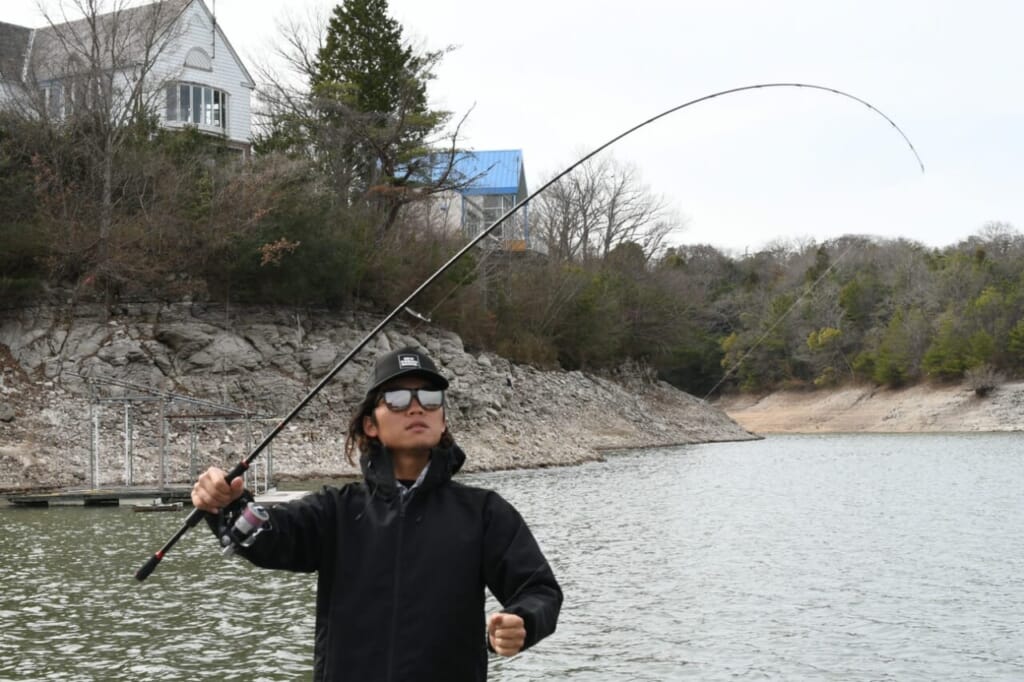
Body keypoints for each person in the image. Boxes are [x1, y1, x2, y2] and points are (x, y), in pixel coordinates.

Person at [192, 345, 562, 682]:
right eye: (398, 398)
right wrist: (223, 502)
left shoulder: (484, 512)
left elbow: (539, 590)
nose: (417, 407)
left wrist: (523, 621)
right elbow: (262, 538)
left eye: (431, 398)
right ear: (371, 424)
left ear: (443, 419)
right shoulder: (334, 511)